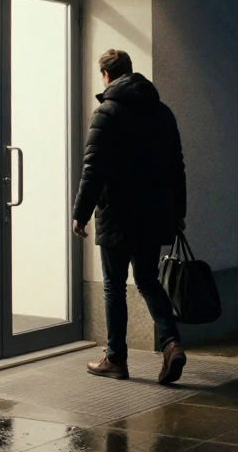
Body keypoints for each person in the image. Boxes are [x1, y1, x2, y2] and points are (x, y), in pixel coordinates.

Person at [72, 49, 187, 385]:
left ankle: (116, 359)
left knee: (113, 286)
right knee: (148, 280)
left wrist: (81, 212)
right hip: (153, 213)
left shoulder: (106, 112)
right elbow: (177, 168)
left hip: (118, 214)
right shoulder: (163, 113)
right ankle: (171, 343)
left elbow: (93, 168)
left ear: (106, 76)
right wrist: (178, 213)